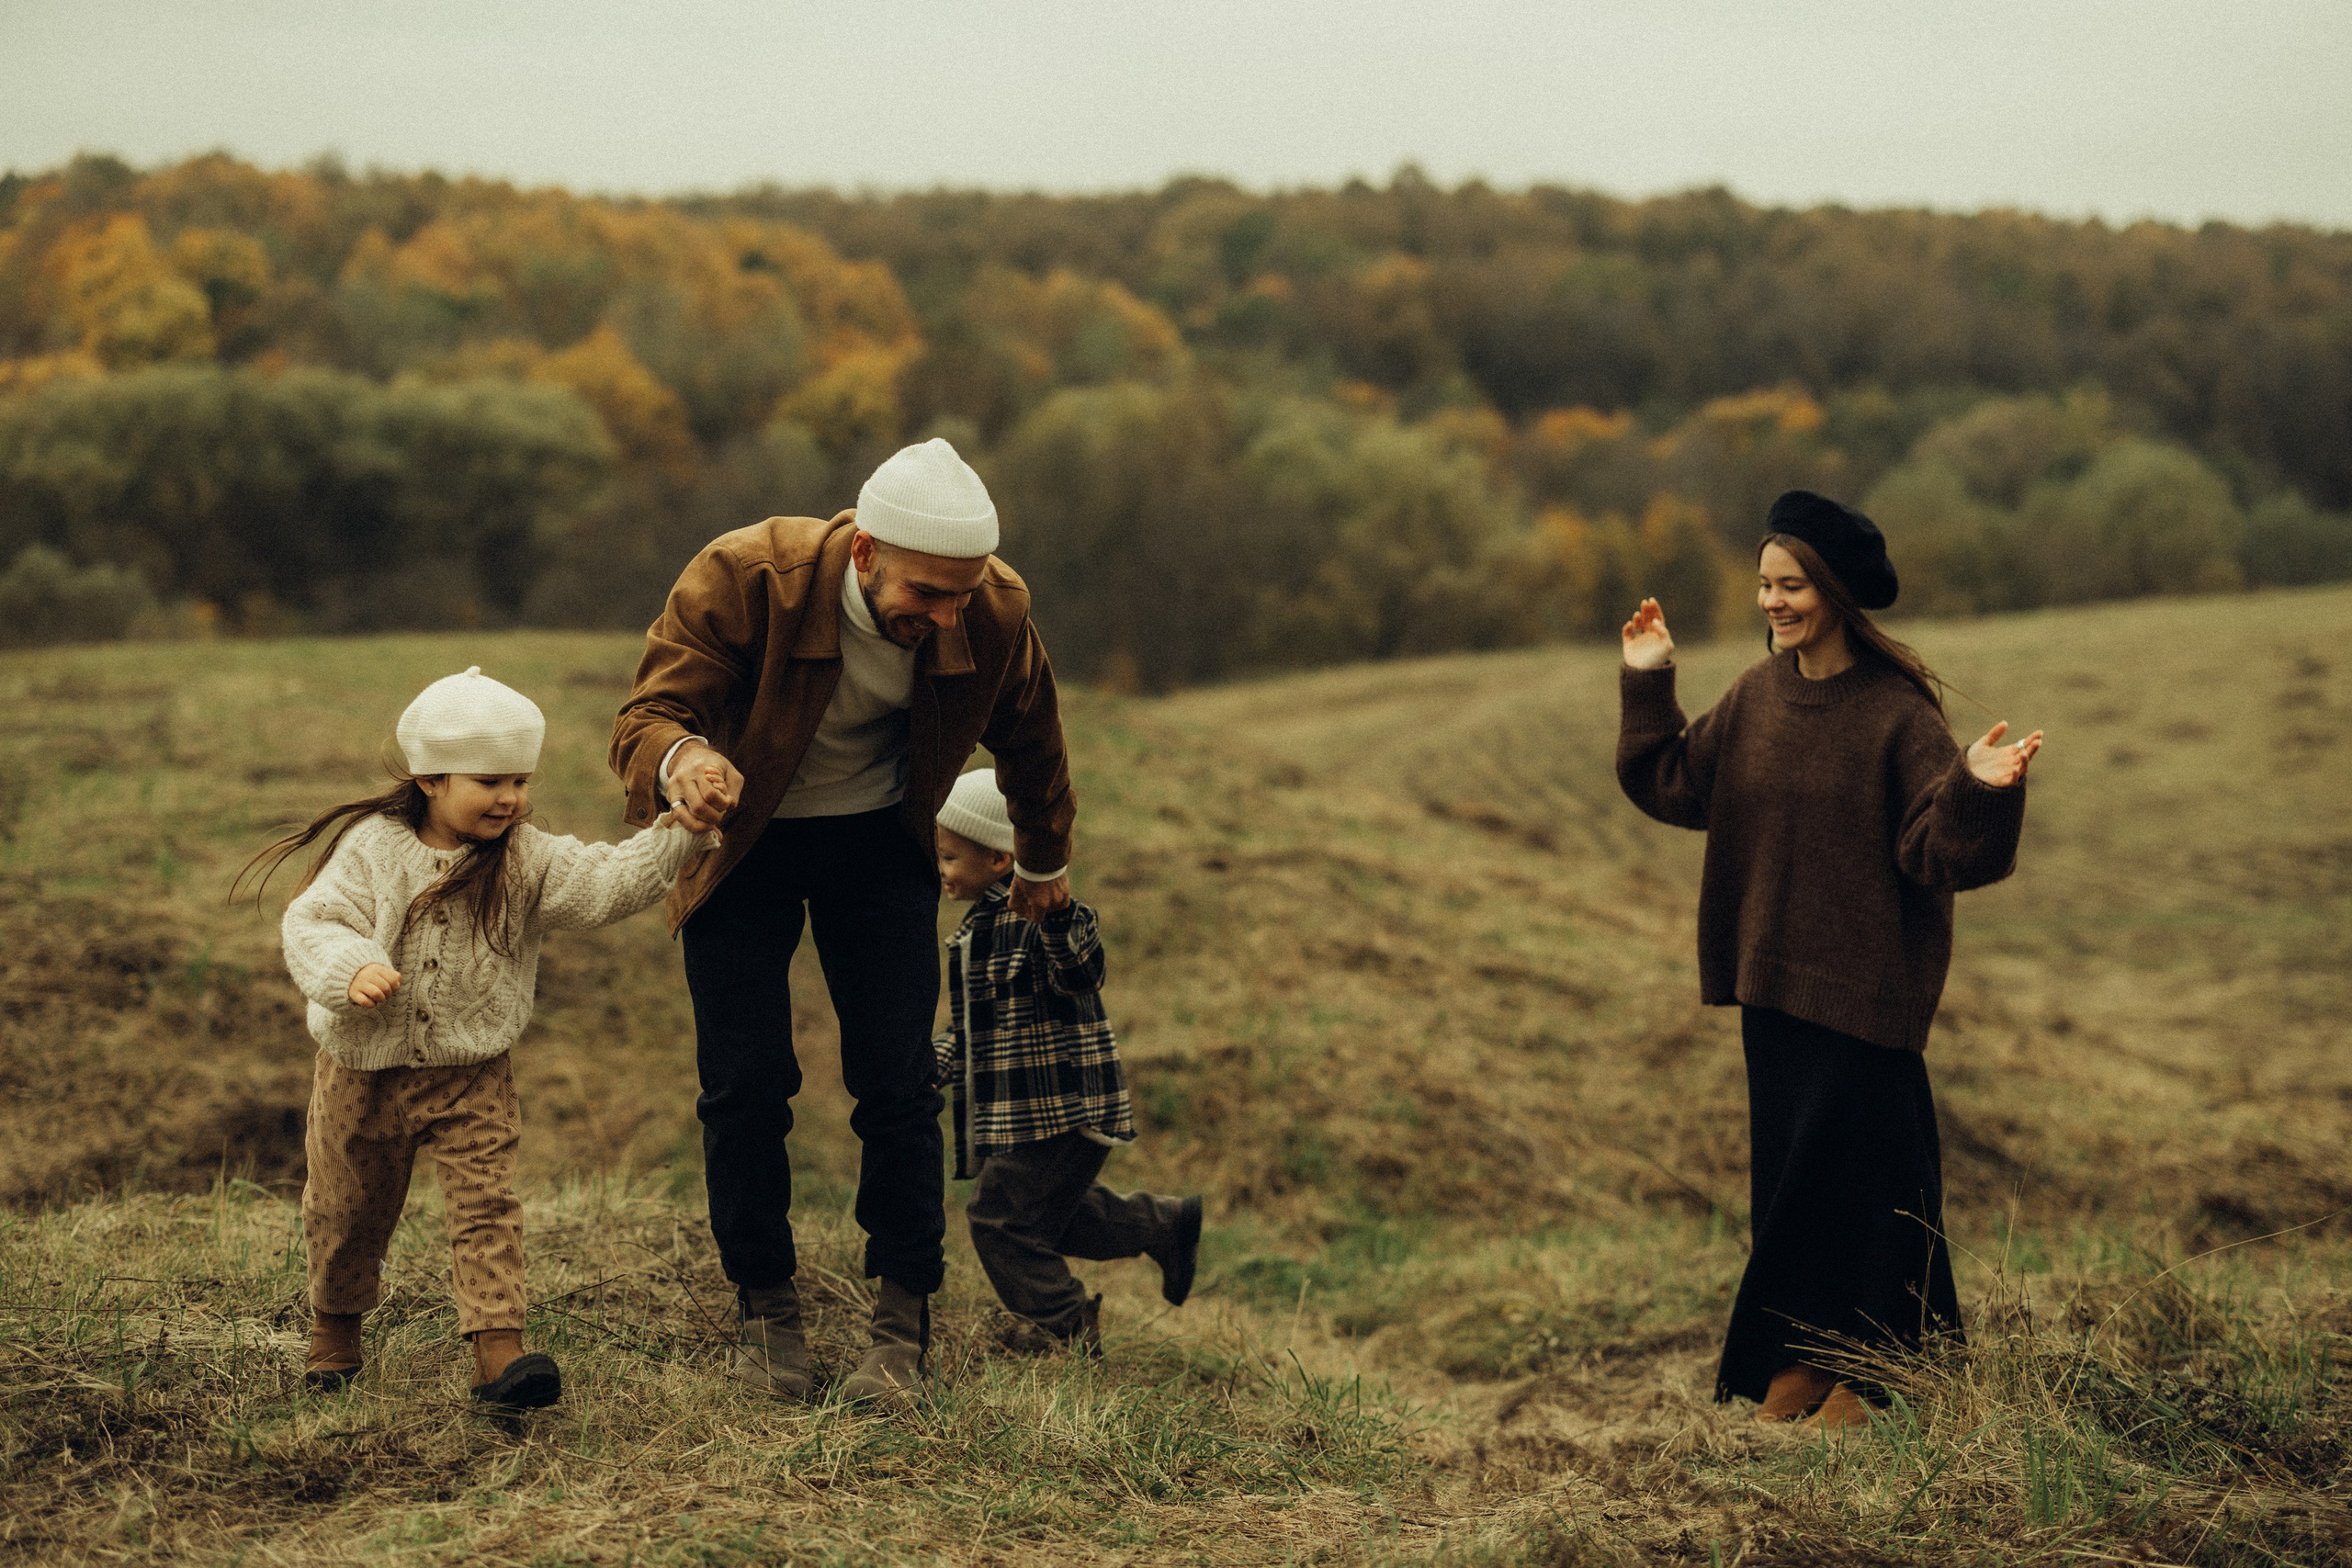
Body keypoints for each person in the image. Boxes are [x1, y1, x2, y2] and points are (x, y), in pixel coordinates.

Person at [609, 437, 1076, 1407]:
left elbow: (1031, 730)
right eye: (926, 594)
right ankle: (766, 1311)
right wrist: (683, 761)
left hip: (880, 843)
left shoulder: (990, 610)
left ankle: (902, 1318)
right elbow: (649, 709)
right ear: (863, 553)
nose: (945, 616)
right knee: (744, 1085)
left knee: (899, 1086)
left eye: (961, 594)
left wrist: (1041, 860)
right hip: (745, 842)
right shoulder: (747, 578)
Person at [1615, 491, 2042, 1431]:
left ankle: (1878, 1379)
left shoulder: (1896, 716)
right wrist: (1649, 679)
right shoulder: (1754, 698)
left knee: (1874, 1191)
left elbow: (1943, 853)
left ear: (1837, 592)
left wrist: (1978, 787)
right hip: (1768, 985)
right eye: (1765, 585)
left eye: (1792, 585)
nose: (1773, 602)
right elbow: (1674, 782)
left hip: (1867, 994)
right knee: (1791, 1188)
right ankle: (1799, 1365)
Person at [249, 666, 716, 1409]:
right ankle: (334, 1330)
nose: (512, 798)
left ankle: (498, 1352)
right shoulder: (372, 848)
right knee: (346, 1207)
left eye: (521, 780)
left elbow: (604, 883)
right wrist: (352, 967)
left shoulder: (527, 857)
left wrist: (676, 838)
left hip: (473, 1071)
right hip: (362, 1067)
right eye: (491, 780)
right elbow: (316, 920)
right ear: (431, 778)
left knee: (485, 1206)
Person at [931, 770, 1203, 1353]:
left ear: (1001, 860)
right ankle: (1163, 1224)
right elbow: (977, 1027)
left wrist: (1054, 915)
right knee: (1045, 1219)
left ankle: (1064, 1326)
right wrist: (936, 1063)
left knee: (999, 1221)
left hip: (1064, 1107)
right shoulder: (976, 934)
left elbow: (1082, 970)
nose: (942, 871)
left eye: (950, 857)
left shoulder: (1043, 918)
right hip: (1025, 1114)